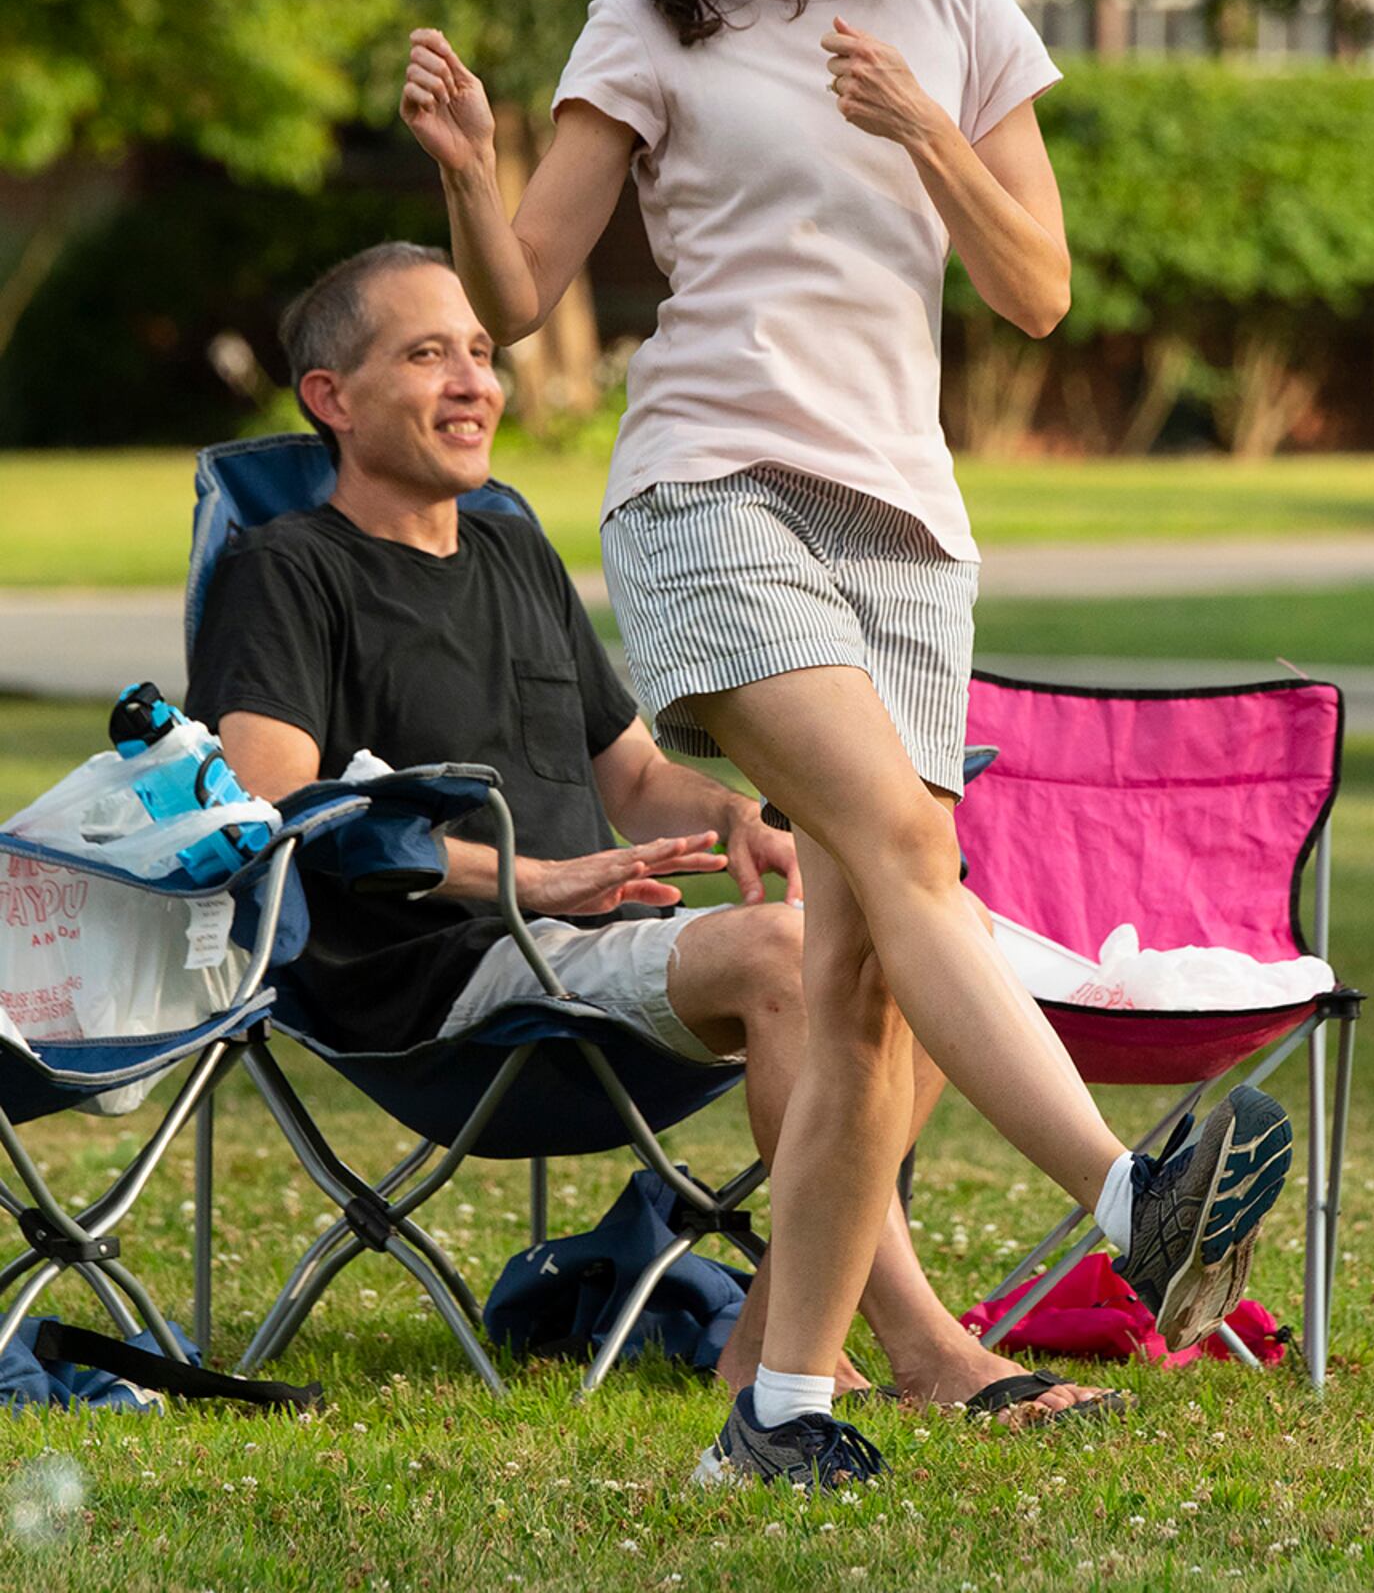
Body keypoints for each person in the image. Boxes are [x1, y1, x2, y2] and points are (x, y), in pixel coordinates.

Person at [399, 0, 1293, 1488]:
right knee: (901, 852)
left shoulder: (956, 18)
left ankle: (781, 1413)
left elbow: (1038, 288)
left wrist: (926, 129)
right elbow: (516, 296)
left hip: (909, 529)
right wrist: (473, 181)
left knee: (868, 986)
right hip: (711, 496)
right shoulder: (650, 28)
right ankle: (1132, 1195)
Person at [185, 238, 1124, 1421]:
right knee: (795, 958)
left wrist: (742, 810)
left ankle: (776, 1341)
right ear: (331, 397)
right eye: (428, 354)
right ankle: (920, 1344)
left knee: (917, 930)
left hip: (587, 954)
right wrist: (537, 878)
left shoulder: (511, 547)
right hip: (436, 984)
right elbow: (274, 809)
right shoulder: (286, 571)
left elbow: (630, 771)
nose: (475, 380)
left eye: (481, 351)